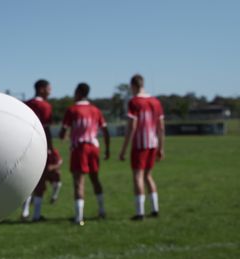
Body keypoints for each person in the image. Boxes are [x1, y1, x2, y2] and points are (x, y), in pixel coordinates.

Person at [59, 83, 110, 226]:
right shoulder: (95, 110)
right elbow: (105, 131)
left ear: (79, 92)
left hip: (79, 148)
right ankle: (102, 210)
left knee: (78, 181)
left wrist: (65, 136)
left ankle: (79, 218)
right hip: (94, 147)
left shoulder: (72, 110)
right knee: (95, 179)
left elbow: (63, 131)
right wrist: (107, 149)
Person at [118, 74, 165, 220]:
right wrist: (161, 148)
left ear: (133, 86)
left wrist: (124, 149)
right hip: (153, 144)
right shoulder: (155, 102)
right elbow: (161, 127)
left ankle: (140, 212)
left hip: (140, 144)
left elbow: (132, 127)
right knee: (148, 176)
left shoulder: (134, 102)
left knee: (138, 176)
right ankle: (155, 209)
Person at [20, 79, 58, 221]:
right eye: (49, 88)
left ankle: (24, 211)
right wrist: (50, 148)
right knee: (39, 181)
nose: (50, 91)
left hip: (24, 146)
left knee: (27, 180)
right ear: (41, 89)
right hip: (40, 147)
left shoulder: (26, 104)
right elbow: (46, 130)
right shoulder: (45, 106)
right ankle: (36, 214)